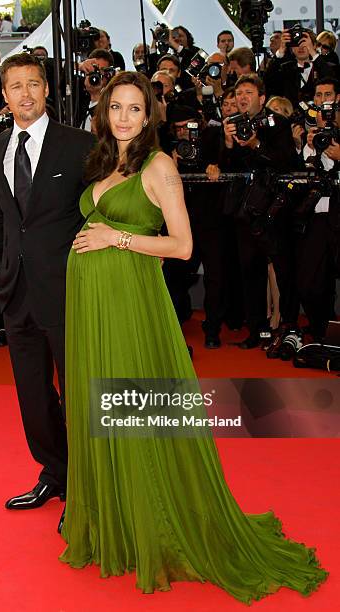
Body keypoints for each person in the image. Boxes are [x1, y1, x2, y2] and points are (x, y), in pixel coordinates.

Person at [58, 71, 327, 602]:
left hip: (132, 303)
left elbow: (182, 246)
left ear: (150, 115)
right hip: (91, 301)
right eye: (117, 108)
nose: (125, 118)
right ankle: (116, 519)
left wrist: (117, 236)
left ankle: (152, 520)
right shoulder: (102, 161)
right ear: (104, 112)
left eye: (136, 109)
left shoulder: (159, 166)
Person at [0, 53, 95, 510]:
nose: (25, 94)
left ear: (46, 89)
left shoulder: (79, 144)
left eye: (33, 84)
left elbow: (97, 207)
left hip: (68, 285)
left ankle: (89, 487)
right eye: (15, 87)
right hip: (15, 288)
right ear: (4, 96)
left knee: (78, 389)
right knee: (32, 392)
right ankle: (56, 472)